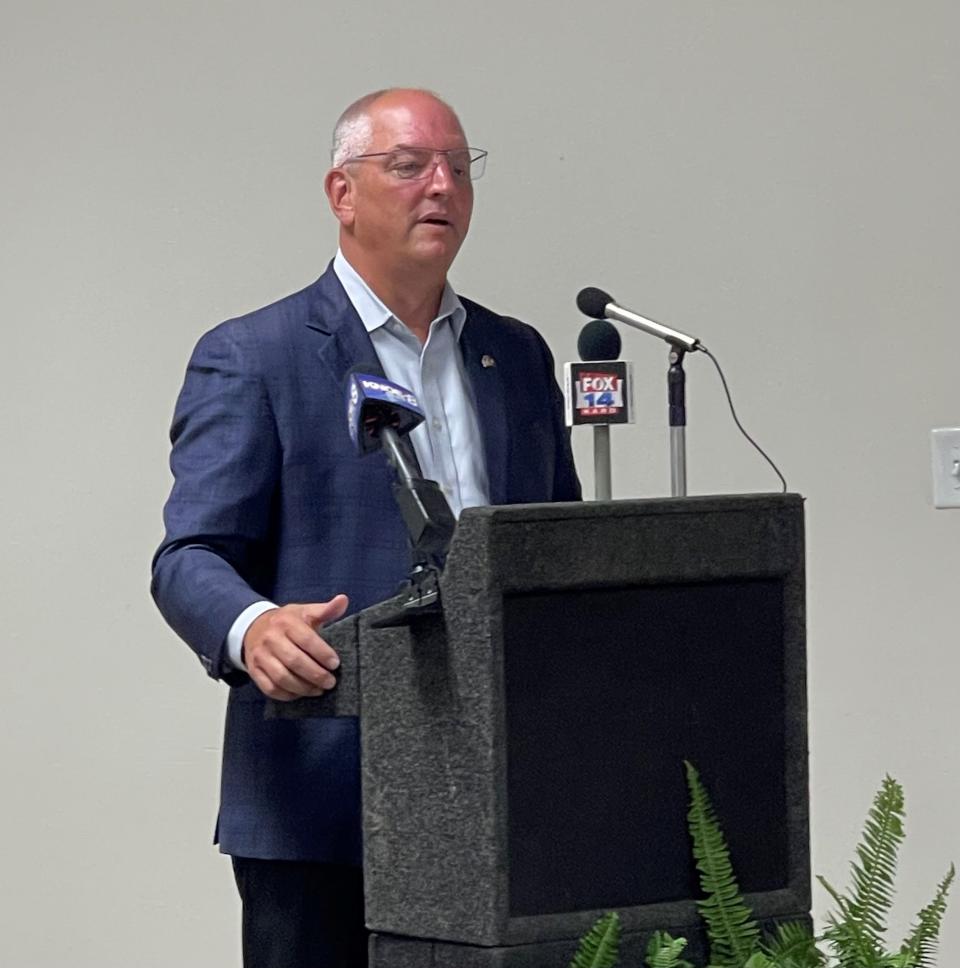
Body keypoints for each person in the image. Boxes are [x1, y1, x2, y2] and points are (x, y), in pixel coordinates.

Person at [151, 88, 581, 968]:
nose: (442, 186)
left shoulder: (518, 356)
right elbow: (190, 555)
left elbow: (557, 548)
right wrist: (252, 626)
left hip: (507, 792)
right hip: (326, 796)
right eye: (410, 164)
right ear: (342, 193)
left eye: (459, 166)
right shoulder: (256, 356)